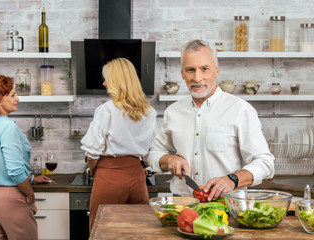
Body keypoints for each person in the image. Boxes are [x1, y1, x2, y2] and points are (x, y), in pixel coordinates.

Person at [148, 40, 275, 201]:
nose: (197, 78)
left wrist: (232, 179)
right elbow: (154, 154)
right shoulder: (173, 112)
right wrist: (169, 159)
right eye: (190, 70)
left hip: (226, 205)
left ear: (216, 70)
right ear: (182, 73)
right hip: (182, 204)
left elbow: (265, 162)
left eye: (204, 69)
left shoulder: (240, 110)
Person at [80, 58, 157, 231]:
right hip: (138, 179)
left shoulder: (106, 110)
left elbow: (92, 154)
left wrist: (96, 171)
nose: (104, 82)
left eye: (107, 78)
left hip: (109, 177)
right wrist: (140, 167)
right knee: (138, 231)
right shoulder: (149, 112)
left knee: (102, 230)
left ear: (117, 81)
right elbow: (151, 152)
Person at [0, 74, 53, 240]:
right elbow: (15, 171)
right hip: (10, 200)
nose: (17, 98)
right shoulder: (8, 127)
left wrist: (31, 178)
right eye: (12, 95)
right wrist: (30, 195)